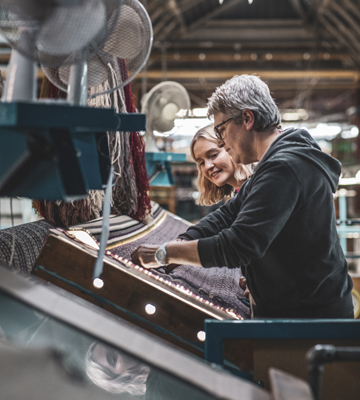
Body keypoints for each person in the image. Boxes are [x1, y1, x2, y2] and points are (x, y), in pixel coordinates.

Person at [132, 74, 354, 319]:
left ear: (247, 118)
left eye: (222, 129)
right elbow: (227, 215)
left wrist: (166, 253)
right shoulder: (274, 163)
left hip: (310, 318)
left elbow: (239, 245)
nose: (224, 141)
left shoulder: (284, 168)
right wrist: (184, 240)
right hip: (302, 309)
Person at [190, 123, 255, 206]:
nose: (207, 166)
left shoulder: (258, 187)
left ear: (232, 148)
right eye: (201, 163)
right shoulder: (237, 197)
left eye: (214, 155)